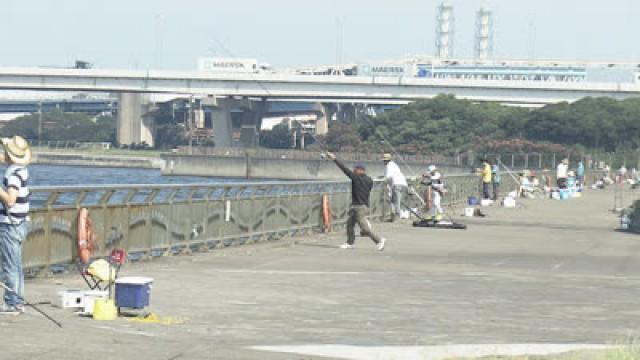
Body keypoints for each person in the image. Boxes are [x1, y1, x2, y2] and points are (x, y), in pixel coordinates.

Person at [327, 152, 386, 251]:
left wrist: (334, 159)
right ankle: (349, 242)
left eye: (355, 169)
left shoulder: (356, 178)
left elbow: (345, 170)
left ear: (359, 170)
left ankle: (379, 240)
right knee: (350, 224)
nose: (353, 170)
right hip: (363, 206)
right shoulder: (369, 180)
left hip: (359, 207)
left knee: (364, 229)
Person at [0, 136, 32, 314]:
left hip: (10, 226)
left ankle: (12, 303)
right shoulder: (22, 170)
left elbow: (10, 200)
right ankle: (18, 301)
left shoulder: (12, 174)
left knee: (10, 266)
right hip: (20, 224)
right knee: (16, 265)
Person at [382, 153, 407, 222]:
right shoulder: (394, 165)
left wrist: (383, 179)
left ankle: (396, 217)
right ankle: (394, 217)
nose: (383, 162)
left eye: (384, 160)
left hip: (397, 184)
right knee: (395, 201)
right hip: (402, 183)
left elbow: (388, 176)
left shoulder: (389, 165)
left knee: (395, 201)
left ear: (386, 161)